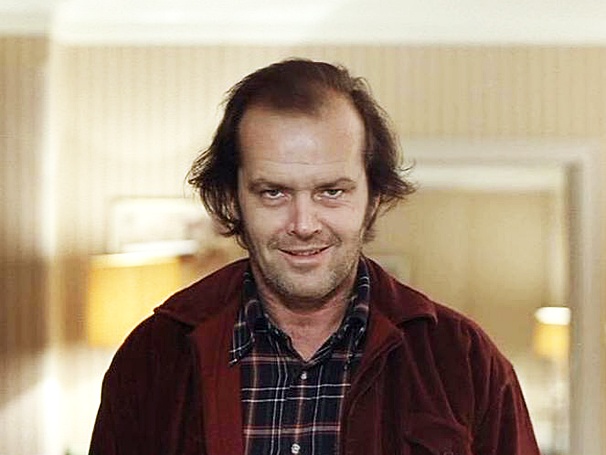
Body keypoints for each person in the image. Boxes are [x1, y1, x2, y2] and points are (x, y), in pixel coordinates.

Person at [89, 58, 540, 455]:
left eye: (331, 191)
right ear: (232, 199)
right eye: (273, 192)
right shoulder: (154, 357)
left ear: (373, 198)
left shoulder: (462, 360)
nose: (303, 224)